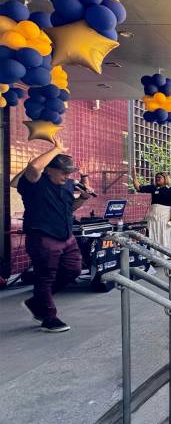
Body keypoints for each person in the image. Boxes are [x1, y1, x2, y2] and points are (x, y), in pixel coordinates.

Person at [18, 136, 94, 333]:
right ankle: (49, 317)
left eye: (69, 172)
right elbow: (33, 167)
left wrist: (83, 198)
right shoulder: (33, 183)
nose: (66, 175)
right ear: (49, 169)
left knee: (73, 270)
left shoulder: (68, 186)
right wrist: (57, 148)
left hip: (66, 236)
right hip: (43, 236)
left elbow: (71, 208)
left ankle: (37, 302)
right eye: (63, 171)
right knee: (46, 277)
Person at [132, 169, 171, 255]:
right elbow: (138, 187)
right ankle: (154, 256)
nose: (157, 179)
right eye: (156, 178)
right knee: (153, 234)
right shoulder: (153, 188)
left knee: (165, 233)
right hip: (153, 216)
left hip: (165, 215)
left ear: (165, 179)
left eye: (159, 178)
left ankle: (167, 255)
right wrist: (134, 175)